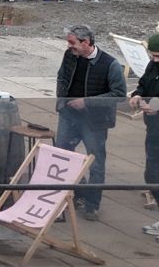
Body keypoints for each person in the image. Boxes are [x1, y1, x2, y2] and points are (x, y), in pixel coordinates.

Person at [55, 24, 126, 218]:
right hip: (69, 115)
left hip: (95, 121)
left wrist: (87, 102)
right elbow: (62, 78)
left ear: (86, 42)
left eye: (72, 43)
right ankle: (79, 191)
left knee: (95, 162)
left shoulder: (110, 64)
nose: (69, 46)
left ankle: (92, 204)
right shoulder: (70, 56)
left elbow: (119, 94)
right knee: (63, 155)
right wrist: (62, 101)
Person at [128, 33, 159, 239]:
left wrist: (156, 105)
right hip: (154, 128)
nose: (155, 60)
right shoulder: (152, 66)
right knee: (152, 174)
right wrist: (138, 94)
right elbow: (143, 84)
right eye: (152, 55)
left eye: (158, 56)